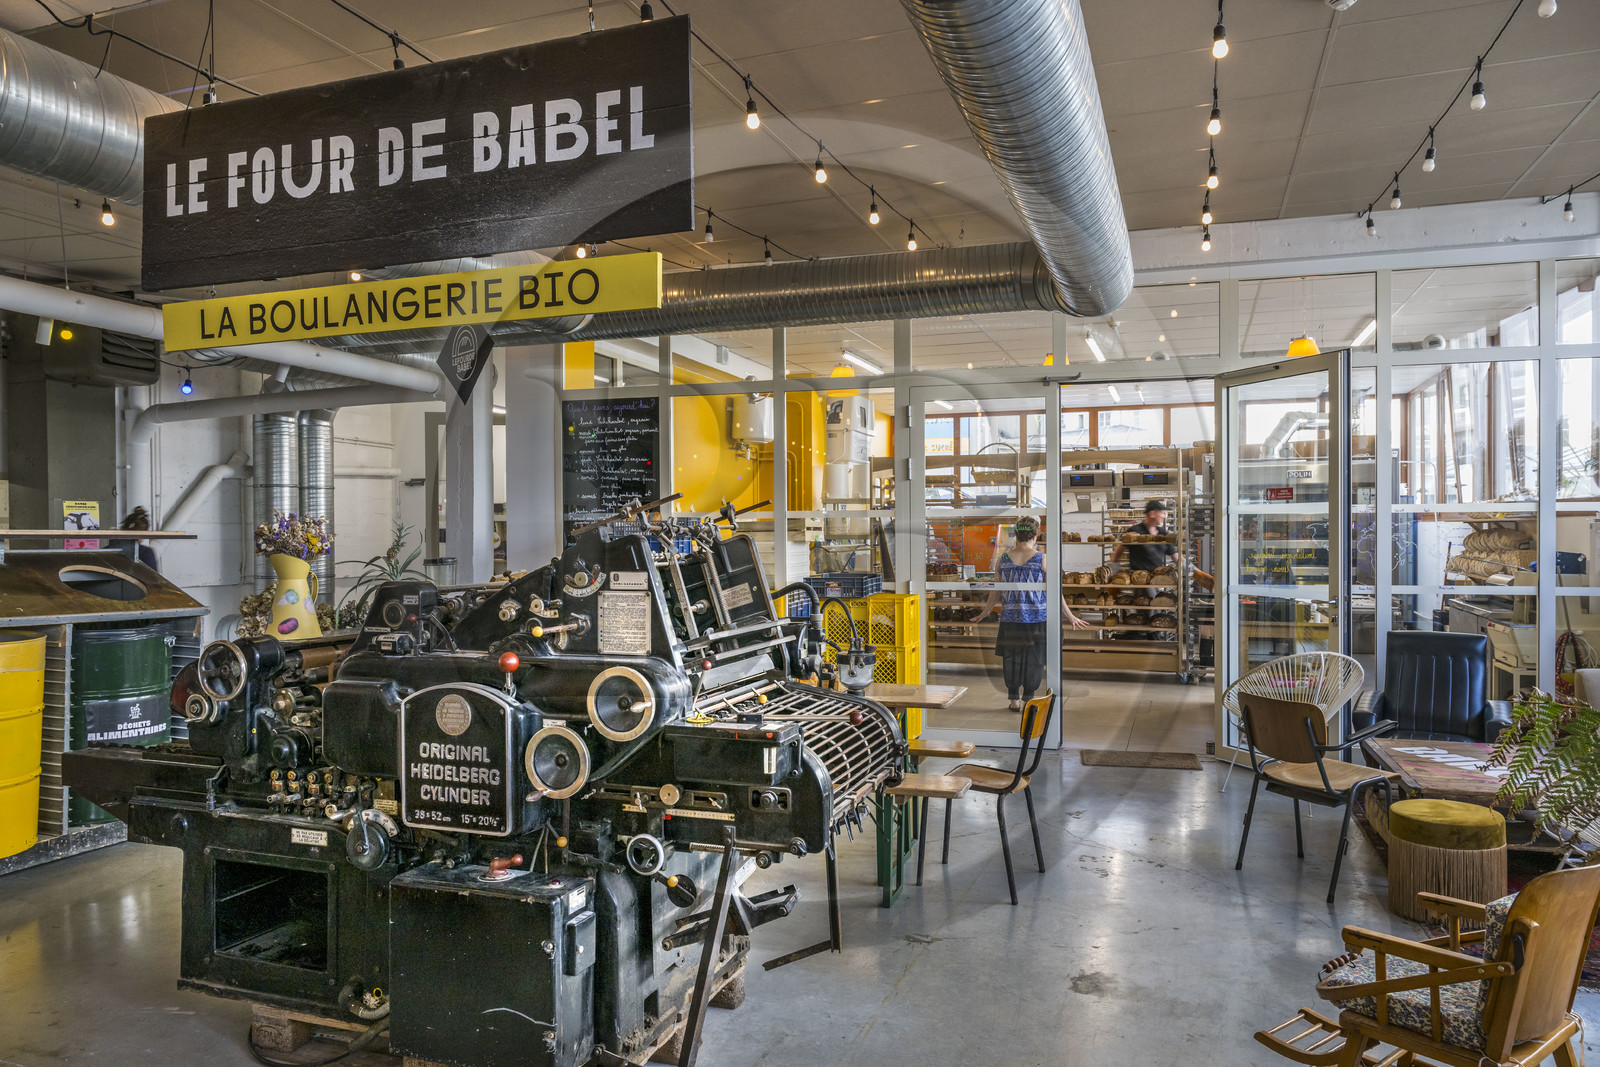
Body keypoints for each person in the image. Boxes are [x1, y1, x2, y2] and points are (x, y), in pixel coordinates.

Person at [974, 517, 1088, 711]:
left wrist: (984, 612)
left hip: (1010, 619)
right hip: (1037, 619)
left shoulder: (1003, 559)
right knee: (1034, 660)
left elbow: (996, 591)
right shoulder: (1042, 559)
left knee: (1011, 659)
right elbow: (1055, 592)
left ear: (1016, 536)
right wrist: (1070, 616)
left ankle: (1013, 701)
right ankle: (1028, 699)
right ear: (1035, 537)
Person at [115, 507, 160, 572]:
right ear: (143, 534)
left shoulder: (107, 551)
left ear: (122, 529)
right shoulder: (145, 553)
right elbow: (154, 579)